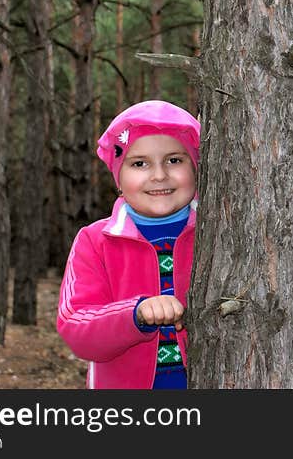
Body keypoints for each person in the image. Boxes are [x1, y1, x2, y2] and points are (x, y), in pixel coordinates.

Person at [57, 100, 201, 389]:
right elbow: (75, 325)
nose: (159, 175)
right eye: (139, 163)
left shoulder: (216, 233)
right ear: (118, 178)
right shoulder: (95, 241)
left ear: (196, 167)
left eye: (174, 160)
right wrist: (135, 314)